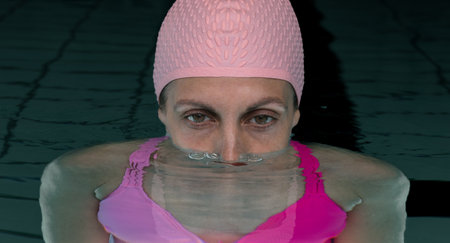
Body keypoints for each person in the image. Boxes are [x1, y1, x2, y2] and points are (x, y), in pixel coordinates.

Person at [39, 0, 410, 242]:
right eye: (198, 117)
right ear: (162, 112)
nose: (230, 153)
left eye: (261, 118)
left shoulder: (368, 187)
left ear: (296, 115)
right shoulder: (80, 178)